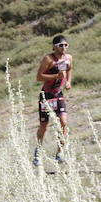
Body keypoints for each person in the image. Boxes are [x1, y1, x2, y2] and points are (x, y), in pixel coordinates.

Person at [33, 35, 73, 166]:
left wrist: (68, 81)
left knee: (63, 122)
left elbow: (70, 68)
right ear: (54, 46)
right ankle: (38, 152)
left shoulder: (68, 58)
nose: (64, 48)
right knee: (44, 125)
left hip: (58, 93)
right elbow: (39, 77)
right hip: (46, 95)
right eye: (61, 45)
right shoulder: (48, 59)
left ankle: (60, 153)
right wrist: (56, 75)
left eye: (66, 45)